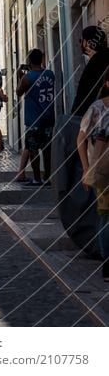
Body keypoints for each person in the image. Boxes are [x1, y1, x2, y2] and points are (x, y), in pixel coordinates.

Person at [77, 67, 109, 282]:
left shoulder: (96, 108)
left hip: (100, 168)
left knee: (105, 216)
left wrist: (87, 168)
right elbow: (80, 140)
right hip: (102, 169)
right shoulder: (96, 108)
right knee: (106, 216)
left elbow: (80, 140)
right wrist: (87, 168)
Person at [16, 49, 55, 186]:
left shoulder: (27, 78)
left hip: (33, 120)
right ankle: (48, 177)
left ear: (30, 61)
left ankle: (37, 178)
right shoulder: (50, 75)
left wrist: (20, 76)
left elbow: (18, 92)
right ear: (42, 60)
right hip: (49, 118)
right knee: (47, 149)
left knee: (33, 150)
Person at [71, 26, 109, 117]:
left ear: (88, 43)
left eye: (81, 40)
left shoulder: (94, 64)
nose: (80, 44)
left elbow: (83, 96)